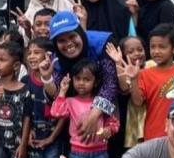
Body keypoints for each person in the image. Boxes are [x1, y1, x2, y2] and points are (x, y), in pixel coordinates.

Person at [39, 10, 120, 148]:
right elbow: (56, 96)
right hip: (75, 126)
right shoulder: (55, 58)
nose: (68, 44)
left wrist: (94, 115)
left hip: (105, 120)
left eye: (72, 36)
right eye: (61, 40)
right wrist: (47, 78)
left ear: (80, 33)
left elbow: (110, 83)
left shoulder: (102, 44)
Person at [24, 37, 69, 158]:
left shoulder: (55, 78)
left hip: (53, 136)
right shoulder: (25, 82)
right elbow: (24, 111)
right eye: (30, 52)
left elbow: (63, 110)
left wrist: (52, 137)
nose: (32, 56)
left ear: (48, 56)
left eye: (37, 52)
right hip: (33, 137)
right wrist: (28, 133)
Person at [127, 23, 174, 142]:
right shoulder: (144, 73)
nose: (156, 51)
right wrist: (134, 79)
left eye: (162, 47)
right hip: (153, 134)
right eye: (152, 47)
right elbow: (138, 102)